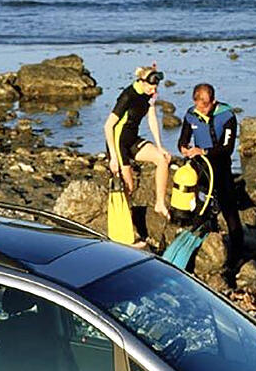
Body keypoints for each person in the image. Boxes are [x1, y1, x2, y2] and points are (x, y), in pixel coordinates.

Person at [103, 66, 173, 247]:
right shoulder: (127, 96)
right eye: (151, 86)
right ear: (142, 82)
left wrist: (160, 146)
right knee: (128, 187)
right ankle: (124, 236)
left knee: (162, 159)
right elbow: (108, 126)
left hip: (132, 140)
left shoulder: (149, 96)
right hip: (118, 144)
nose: (154, 90)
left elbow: (151, 119)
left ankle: (159, 203)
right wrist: (113, 157)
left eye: (156, 87)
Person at [178, 83, 243, 271]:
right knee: (201, 209)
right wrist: (184, 148)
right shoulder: (191, 114)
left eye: (205, 105)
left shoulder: (227, 115)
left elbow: (227, 149)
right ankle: (199, 252)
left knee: (229, 210)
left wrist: (204, 151)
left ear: (213, 102)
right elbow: (183, 139)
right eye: (199, 105)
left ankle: (238, 255)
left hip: (221, 167)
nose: (202, 109)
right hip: (201, 169)